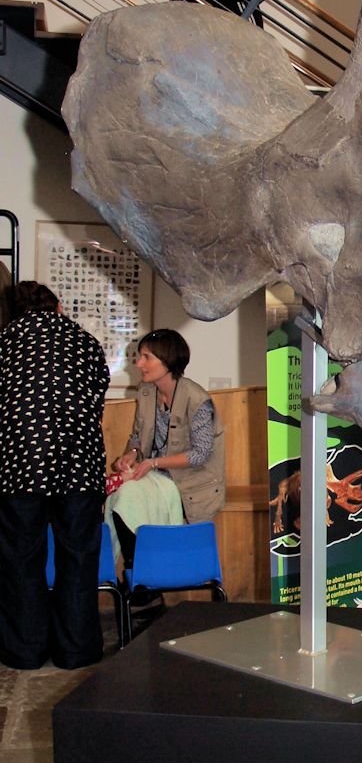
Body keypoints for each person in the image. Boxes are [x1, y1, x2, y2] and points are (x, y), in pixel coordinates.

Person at [0, 281, 109, 669]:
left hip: (19, 465)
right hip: (79, 464)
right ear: (58, 306)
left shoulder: (5, 342)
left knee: (20, 559)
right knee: (78, 557)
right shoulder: (86, 343)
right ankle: (76, 650)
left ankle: (25, 650)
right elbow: (96, 399)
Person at [108, 329, 225, 565]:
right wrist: (131, 454)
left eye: (147, 357)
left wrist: (152, 463)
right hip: (156, 476)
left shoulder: (197, 399)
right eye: (140, 356)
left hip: (192, 485)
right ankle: (137, 570)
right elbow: (137, 436)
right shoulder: (146, 391)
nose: (139, 364)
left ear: (168, 361)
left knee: (127, 495)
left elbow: (200, 454)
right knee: (122, 494)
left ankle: (142, 569)